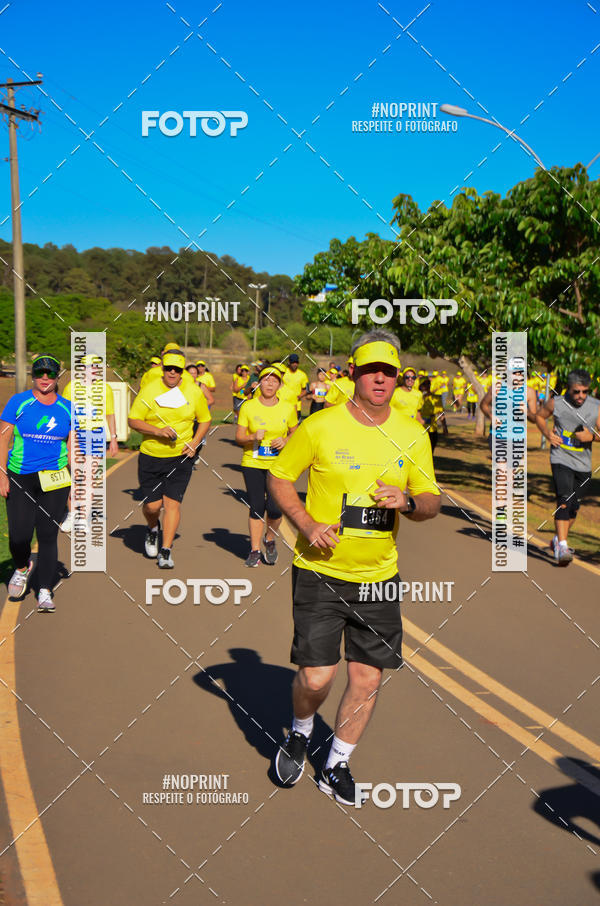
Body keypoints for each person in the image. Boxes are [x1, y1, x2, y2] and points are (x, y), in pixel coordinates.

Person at [268, 330, 440, 805]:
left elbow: (431, 501)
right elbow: (280, 476)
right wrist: (303, 520)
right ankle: (300, 731)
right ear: (354, 373)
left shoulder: (411, 432)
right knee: (317, 677)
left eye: (389, 371)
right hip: (321, 572)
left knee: (367, 678)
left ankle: (336, 762)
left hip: (379, 577)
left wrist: (408, 502)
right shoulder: (320, 426)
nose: (381, 379)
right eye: (371, 371)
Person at [0, 355, 74, 612]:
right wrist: (2, 473)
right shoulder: (18, 402)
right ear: (33, 375)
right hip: (20, 475)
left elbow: (72, 447)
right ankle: (22, 567)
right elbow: (3, 439)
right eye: (40, 373)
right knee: (19, 536)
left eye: (50, 374)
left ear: (57, 377)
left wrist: (72, 486)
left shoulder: (67, 408)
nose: (45, 378)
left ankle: (44, 590)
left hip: (55, 478)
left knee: (47, 535)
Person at [128, 349, 211, 568]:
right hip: (152, 455)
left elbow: (205, 419)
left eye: (177, 369)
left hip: (181, 457)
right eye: (168, 369)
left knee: (172, 504)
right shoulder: (149, 390)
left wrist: (195, 443)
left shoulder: (193, 391)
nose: (172, 373)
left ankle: (165, 551)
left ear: (182, 371)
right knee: (153, 506)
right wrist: (157, 431)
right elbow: (133, 420)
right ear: (163, 369)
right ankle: (152, 528)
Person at [535, 369, 600, 565]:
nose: (580, 396)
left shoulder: (596, 406)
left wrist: (592, 437)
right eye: (576, 391)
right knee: (564, 500)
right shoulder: (557, 403)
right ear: (568, 389)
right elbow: (539, 416)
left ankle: (557, 539)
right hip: (560, 458)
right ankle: (563, 546)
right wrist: (548, 435)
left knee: (573, 507)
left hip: (583, 464)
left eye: (584, 392)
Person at [236, 365, 298, 567]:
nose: (270, 383)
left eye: (274, 380)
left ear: (279, 385)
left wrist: (286, 441)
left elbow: (295, 433)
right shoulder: (248, 406)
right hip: (252, 462)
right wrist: (252, 437)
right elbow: (238, 438)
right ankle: (254, 550)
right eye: (266, 379)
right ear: (259, 382)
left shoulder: (288, 407)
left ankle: (269, 540)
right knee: (256, 506)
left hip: (278, 465)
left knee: (274, 508)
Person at [60, 354, 119, 533]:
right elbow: (65, 414)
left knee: (89, 480)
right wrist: (69, 438)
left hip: (95, 436)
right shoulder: (71, 387)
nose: (93, 369)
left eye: (96, 366)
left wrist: (113, 438)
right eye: (89, 366)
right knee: (74, 478)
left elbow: (110, 414)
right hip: (75, 435)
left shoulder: (105, 389)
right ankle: (71, 514)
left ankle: (83, 517)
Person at [418, 378, 438, 452]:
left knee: (431, 449)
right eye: (424, 384)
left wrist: (444, 426)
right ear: (420, 386)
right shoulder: (417, 396)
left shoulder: (435, 397)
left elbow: (440, 412)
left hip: (432, 428)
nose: (427, 386)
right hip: (420, 429)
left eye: (428, 384)